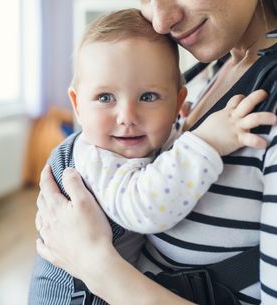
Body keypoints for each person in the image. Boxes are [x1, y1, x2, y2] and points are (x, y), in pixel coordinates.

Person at [34, 1, 277, 304]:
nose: (161, 21)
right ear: (77, 104)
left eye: (148, 97)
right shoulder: (216, 70)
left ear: (177, 100)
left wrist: (96, 267)